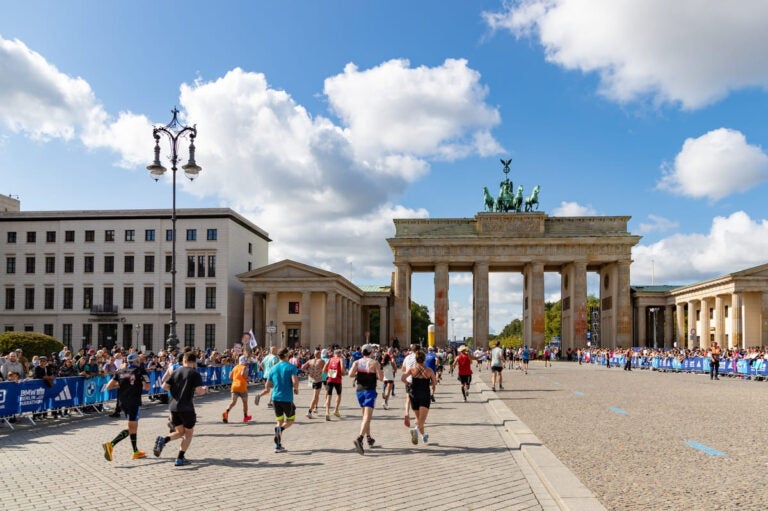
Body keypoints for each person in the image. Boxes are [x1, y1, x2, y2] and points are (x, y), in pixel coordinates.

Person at [153, 352, 208, 466]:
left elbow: (164, 386)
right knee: (188, 434)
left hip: (173, 407)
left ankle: (164, 440)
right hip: (187, 407)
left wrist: (176, 390)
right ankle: (180, 458)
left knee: (179, 432)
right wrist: (205, 389)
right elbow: (199, 392)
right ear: (194, 362)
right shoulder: (194, 374)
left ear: (184, 360)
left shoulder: (176, 372)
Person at [102, 353, 150, 461]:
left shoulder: (119, 371)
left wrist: (122, 385)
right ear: (137, 361)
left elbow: (109, 386)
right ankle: (111, 445)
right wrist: (138, 383)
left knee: (132, 426)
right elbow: (147, 387)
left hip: (123, 402)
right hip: (134, 401)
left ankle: (135, 451)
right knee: (131, 426)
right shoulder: (141, 371)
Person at [259, 347, 299, 453]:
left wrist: (262, 394)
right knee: (290, 420)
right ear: (286, 355)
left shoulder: (273, 368)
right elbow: (295, 381)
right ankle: (280, 430)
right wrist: (296, 389)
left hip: (275, 398)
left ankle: (277, 446)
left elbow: (267, 387)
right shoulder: (291, 367)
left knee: (279, 421)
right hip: (286, 398)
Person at [349, 344, 383, 455]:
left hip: (359, 391)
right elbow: (381, 378)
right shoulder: (375, 363)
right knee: (367, 417)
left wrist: (359, 373)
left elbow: (350, 374)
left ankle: (369, 437)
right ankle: (360, 438)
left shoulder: (357, 362)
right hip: (370, 390)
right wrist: (376, 372)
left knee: (365, 417)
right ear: (370, 352)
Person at [401, 350, 437, 445]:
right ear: (424, 359)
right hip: (424, 394)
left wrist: (409, 383)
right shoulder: (429, 370)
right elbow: (435, 382)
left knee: (418, 418)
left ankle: (423, 436)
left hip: (414, 395)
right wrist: (428, 383)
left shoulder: (412, 369)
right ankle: (415, 431)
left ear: (416, 359)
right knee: (422, 420)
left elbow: (402, 378)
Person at [223, 355, 251, 424]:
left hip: (234, 386)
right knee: (245, 403)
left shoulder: (235, 367)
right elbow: (243, 375)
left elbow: (230, 376)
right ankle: (245, 417)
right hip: (242, 387)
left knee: (233, 402)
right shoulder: (245, 367)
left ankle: (226, 413)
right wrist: (248, 378)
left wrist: (236, 378)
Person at [301, 349, 326, 419]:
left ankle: (316, 407)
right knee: (315, 396)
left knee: (317, 395)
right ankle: (309, 412)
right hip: (318, 380)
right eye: (320, 354)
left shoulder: (310, 361)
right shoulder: (321, 361)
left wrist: (308, 372)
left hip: (312, 379)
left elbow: (302, 367)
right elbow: (326, 369)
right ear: (318, 354)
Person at [324, 349, 346, 421]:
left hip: (330, 378)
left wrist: (330, 372)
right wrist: (343, 373)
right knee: (339, 394)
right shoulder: (341, 359)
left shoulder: (330, 359)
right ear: (340, 354)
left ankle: (327, 412)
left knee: (329, 396)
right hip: (337, 379)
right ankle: (336, 410)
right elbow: (342, 370)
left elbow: (324, 369)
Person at [401, 344, 419, 427]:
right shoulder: (419, 357)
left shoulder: (407, 357)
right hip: (417, 380)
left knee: (408, 399)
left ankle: (406, 413)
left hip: (408, 380)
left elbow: (403, 369)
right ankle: (416, 418)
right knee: (417, 400)